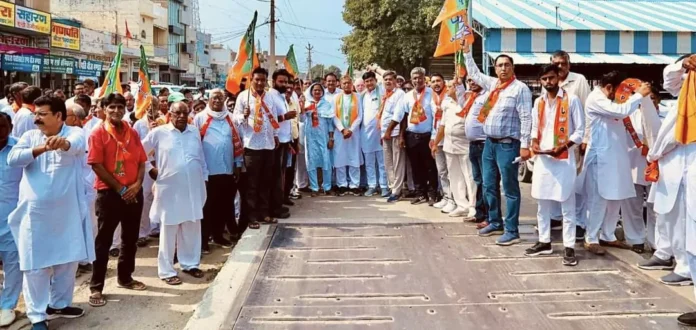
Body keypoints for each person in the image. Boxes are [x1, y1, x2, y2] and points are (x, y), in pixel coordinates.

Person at [8, 96, 94, 330]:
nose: (36, 118)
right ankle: (37, 316)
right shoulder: (29, 137)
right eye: (36, 113)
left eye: (42, 114)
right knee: (35, 266)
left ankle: (59, 303)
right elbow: (13, 158)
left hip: (67, 214)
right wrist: (40, 148)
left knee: (67, 261)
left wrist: (62, 144)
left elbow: (74, 145)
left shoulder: (75, 131)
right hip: (35, 216)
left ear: (58, 116)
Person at [461, 40, 533, 246]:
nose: (503, 68)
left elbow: (526, 118)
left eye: (506, 65)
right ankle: (495, 221)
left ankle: (512, 230)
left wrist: (525, 144)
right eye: (499, 65)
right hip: (489, 144)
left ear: (513, 68)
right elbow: (474, 74)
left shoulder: (520, 89)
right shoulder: (493, 85)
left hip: (508, 145)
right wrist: (467, 53)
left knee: (510, 188)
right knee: (488, 185)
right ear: (495, 68)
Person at [580, 71, 651, 255]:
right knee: (599, 198)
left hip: (618, 157)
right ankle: (591, 237)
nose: (623, 96)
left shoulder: (615, 101)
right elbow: (621, 111)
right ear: (610, 87)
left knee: (616, 196)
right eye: (620, 91)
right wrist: (639, 95)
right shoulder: (596, 98)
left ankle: (608, 234)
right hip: (601, 158)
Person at [87, 93, 148, 308]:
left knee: (130, 239)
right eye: (111, 107)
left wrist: (137, 185)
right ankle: (96, 287)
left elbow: (142, 161)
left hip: (133, 192)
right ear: (103, 109)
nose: (116, 111)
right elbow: (96, 165)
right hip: (110, 194)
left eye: (120, 107)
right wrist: (121, 189)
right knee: (103, 241)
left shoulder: (131, 131)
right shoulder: (98, 133)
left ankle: (125, 278)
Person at [525, 64, 585, 265]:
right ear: (540, 81)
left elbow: (580, 131)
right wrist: (533, 141)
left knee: (567, 203)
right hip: (543, 158)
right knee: (542, 203)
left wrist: (564, 146)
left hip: (563, 158)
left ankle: (569, 247)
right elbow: (535, 127)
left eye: (551, 78)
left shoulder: (572, 100)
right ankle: (544, 242)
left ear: (559, 78)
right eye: (544, 79)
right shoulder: (538, 102)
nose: (548, 82)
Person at [644, 55, 695, 290]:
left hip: (690, 161)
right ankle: (677, 260)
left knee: (689, 217)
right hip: (674, 163)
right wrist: (682, 65)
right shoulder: (684, 91)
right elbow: (669, 80)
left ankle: (686, 267)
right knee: (670, 214)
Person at [143, 101, 207, 285]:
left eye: (184, 113)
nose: (181, 116)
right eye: (177, 113)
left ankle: (190, 264)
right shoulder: (158, 132)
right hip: (169, 189)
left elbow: (200, 156)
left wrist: (205, 176)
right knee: (169, 227)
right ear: (169, 114)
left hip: (193, 186)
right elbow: (139, 152)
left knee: (192, 224)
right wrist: (150, 169)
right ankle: (167, 270)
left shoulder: (194, 131)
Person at [658, 54, 696, 326]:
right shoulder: (687, 86)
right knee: (692, 241)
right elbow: (670, 78)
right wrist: (683, 65)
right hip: (685, 169)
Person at [194, 89, 242, 253]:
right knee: (207, 207)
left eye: (220, 98)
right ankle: (203, 240)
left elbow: (236, 142)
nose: (217, 101)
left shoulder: (230, 119)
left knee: (224, 205)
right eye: (214, 98)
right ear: (209, 99)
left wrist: (237, 164)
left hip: (227, 169)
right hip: (208, 171)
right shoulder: (200, 118)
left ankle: (218, 235)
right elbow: (195, 144)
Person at [550, 50, 593, 237]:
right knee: (554, 180)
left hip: (574, 141)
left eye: (563, 63)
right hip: (553, 142)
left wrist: (585, 139)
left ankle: (578, 222)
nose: (560, 67)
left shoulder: (579, 80)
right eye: (556, 63)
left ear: (569, 64)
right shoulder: (550, 81)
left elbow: (588, 111)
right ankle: (556, 217)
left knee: (575, 182)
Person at [233, 67, 280, 229]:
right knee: (252, 184)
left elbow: (272, 118)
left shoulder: (271, 97)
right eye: (257, 80)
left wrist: (275, 136)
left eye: (263, 80)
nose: (260, 83)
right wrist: (243, 115)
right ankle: (251, 216)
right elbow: (235, 119)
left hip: (268, 145)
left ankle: (264, 212)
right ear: (251, 79)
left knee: (266, 182)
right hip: (252, 145)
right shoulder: (243, 97)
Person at [389, 67, 438, 205]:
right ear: (412, 79)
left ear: (425, 78)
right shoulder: (407, 96)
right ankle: (420, 193)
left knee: (430, 167)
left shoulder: (431, 94)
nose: (418, 80)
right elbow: (402, 116)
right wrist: (401, 136)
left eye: (420, 77)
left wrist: (434, 136)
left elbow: (436, 116)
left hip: (428, 136)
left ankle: (433, 193)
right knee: (416, 167)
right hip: (412, 136)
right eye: (415, 78)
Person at [460, 78, 493, 227]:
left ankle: (490, 217)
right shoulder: (472, 97)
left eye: (474, 80)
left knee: (487, 182)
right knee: (478, 181)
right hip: (473, 144)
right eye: (469, 81)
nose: (471, 83)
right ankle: (479, 214)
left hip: (484, 144)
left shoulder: (487, 96)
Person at [0, 112, 22, 327]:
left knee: (13, 264)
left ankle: (8, 305)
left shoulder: (20, 149)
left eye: (2, 126)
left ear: (11, 126)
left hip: (12, 220)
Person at [132, 96, 162, 246]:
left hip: (162, 165)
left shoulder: (164, 122)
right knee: (145, 197)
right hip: (145, 165)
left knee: (161, 197)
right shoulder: (139, 124)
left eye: (155, 106)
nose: (152, 109)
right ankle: (142, 232)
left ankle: (157, 228)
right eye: (149, 106)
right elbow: (136, 145)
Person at [268, 70, 295, 219]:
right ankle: (275, 207)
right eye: (281, 81)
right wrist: (285, 116)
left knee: (282, 175)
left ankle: (279, 203)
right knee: (276, 176)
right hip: (276, 142)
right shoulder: (270, 97)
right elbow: (269, 119)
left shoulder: (281, 97)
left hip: (285, 141)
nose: (284, 84)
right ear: (273, 81)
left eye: (286, 82)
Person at [301, 83, 336, 196]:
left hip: (323, 137)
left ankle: (327, 187)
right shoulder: (307, 104)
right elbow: (301, 119)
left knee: (326, 161)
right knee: (311, 162)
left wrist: (331, 138)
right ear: (311, 92)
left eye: (319, 90)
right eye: (314, 90)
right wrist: (302, 107)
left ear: (322, 92)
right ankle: (314, 188)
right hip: (310, 138)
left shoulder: (327, 105)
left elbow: (330, 123)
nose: (317, 92)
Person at [333, 75, 363, 196]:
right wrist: (342, 129)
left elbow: (360, 115)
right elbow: (333, 115)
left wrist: (351, 129)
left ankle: (354, 185)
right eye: (344, 83)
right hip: (340, 133)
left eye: (348, 83)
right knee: (340, 157)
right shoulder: (336, 97)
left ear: (352, 84)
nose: (346, 85)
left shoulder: (358, 97)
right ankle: (342, 184)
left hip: (353, 133)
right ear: (340, 84)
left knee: (353, 157)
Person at [361, 71, 389, 197]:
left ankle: (384, 186)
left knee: (382, 162)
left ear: (375, 81)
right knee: (369, 162)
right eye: (366, 81)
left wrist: (376, 68)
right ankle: (372, 185)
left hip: (380, 133)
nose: (369, 83)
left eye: (371, 80)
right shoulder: (362, 96)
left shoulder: (382, 91)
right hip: (366, 134)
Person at [430, 73, 455, 212]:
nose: (436, 84)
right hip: (436, 139)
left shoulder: (449, 96)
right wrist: (432, 139)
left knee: (451, 171)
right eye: (433, 81)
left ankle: (454, 199)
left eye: (438, 81)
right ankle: (446, 197)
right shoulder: (432, 99)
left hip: (449, 139)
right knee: (441, 171)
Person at [284, 85, 301, 204]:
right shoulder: (278, 103)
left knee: (291, 170)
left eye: (291, 88)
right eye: (286, 87)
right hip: (283, 141)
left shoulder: (295, 103)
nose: (289, 90)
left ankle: (286, 194)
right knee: (282, 171)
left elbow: (297, 123)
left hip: (294, 140)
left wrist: (298, 141)